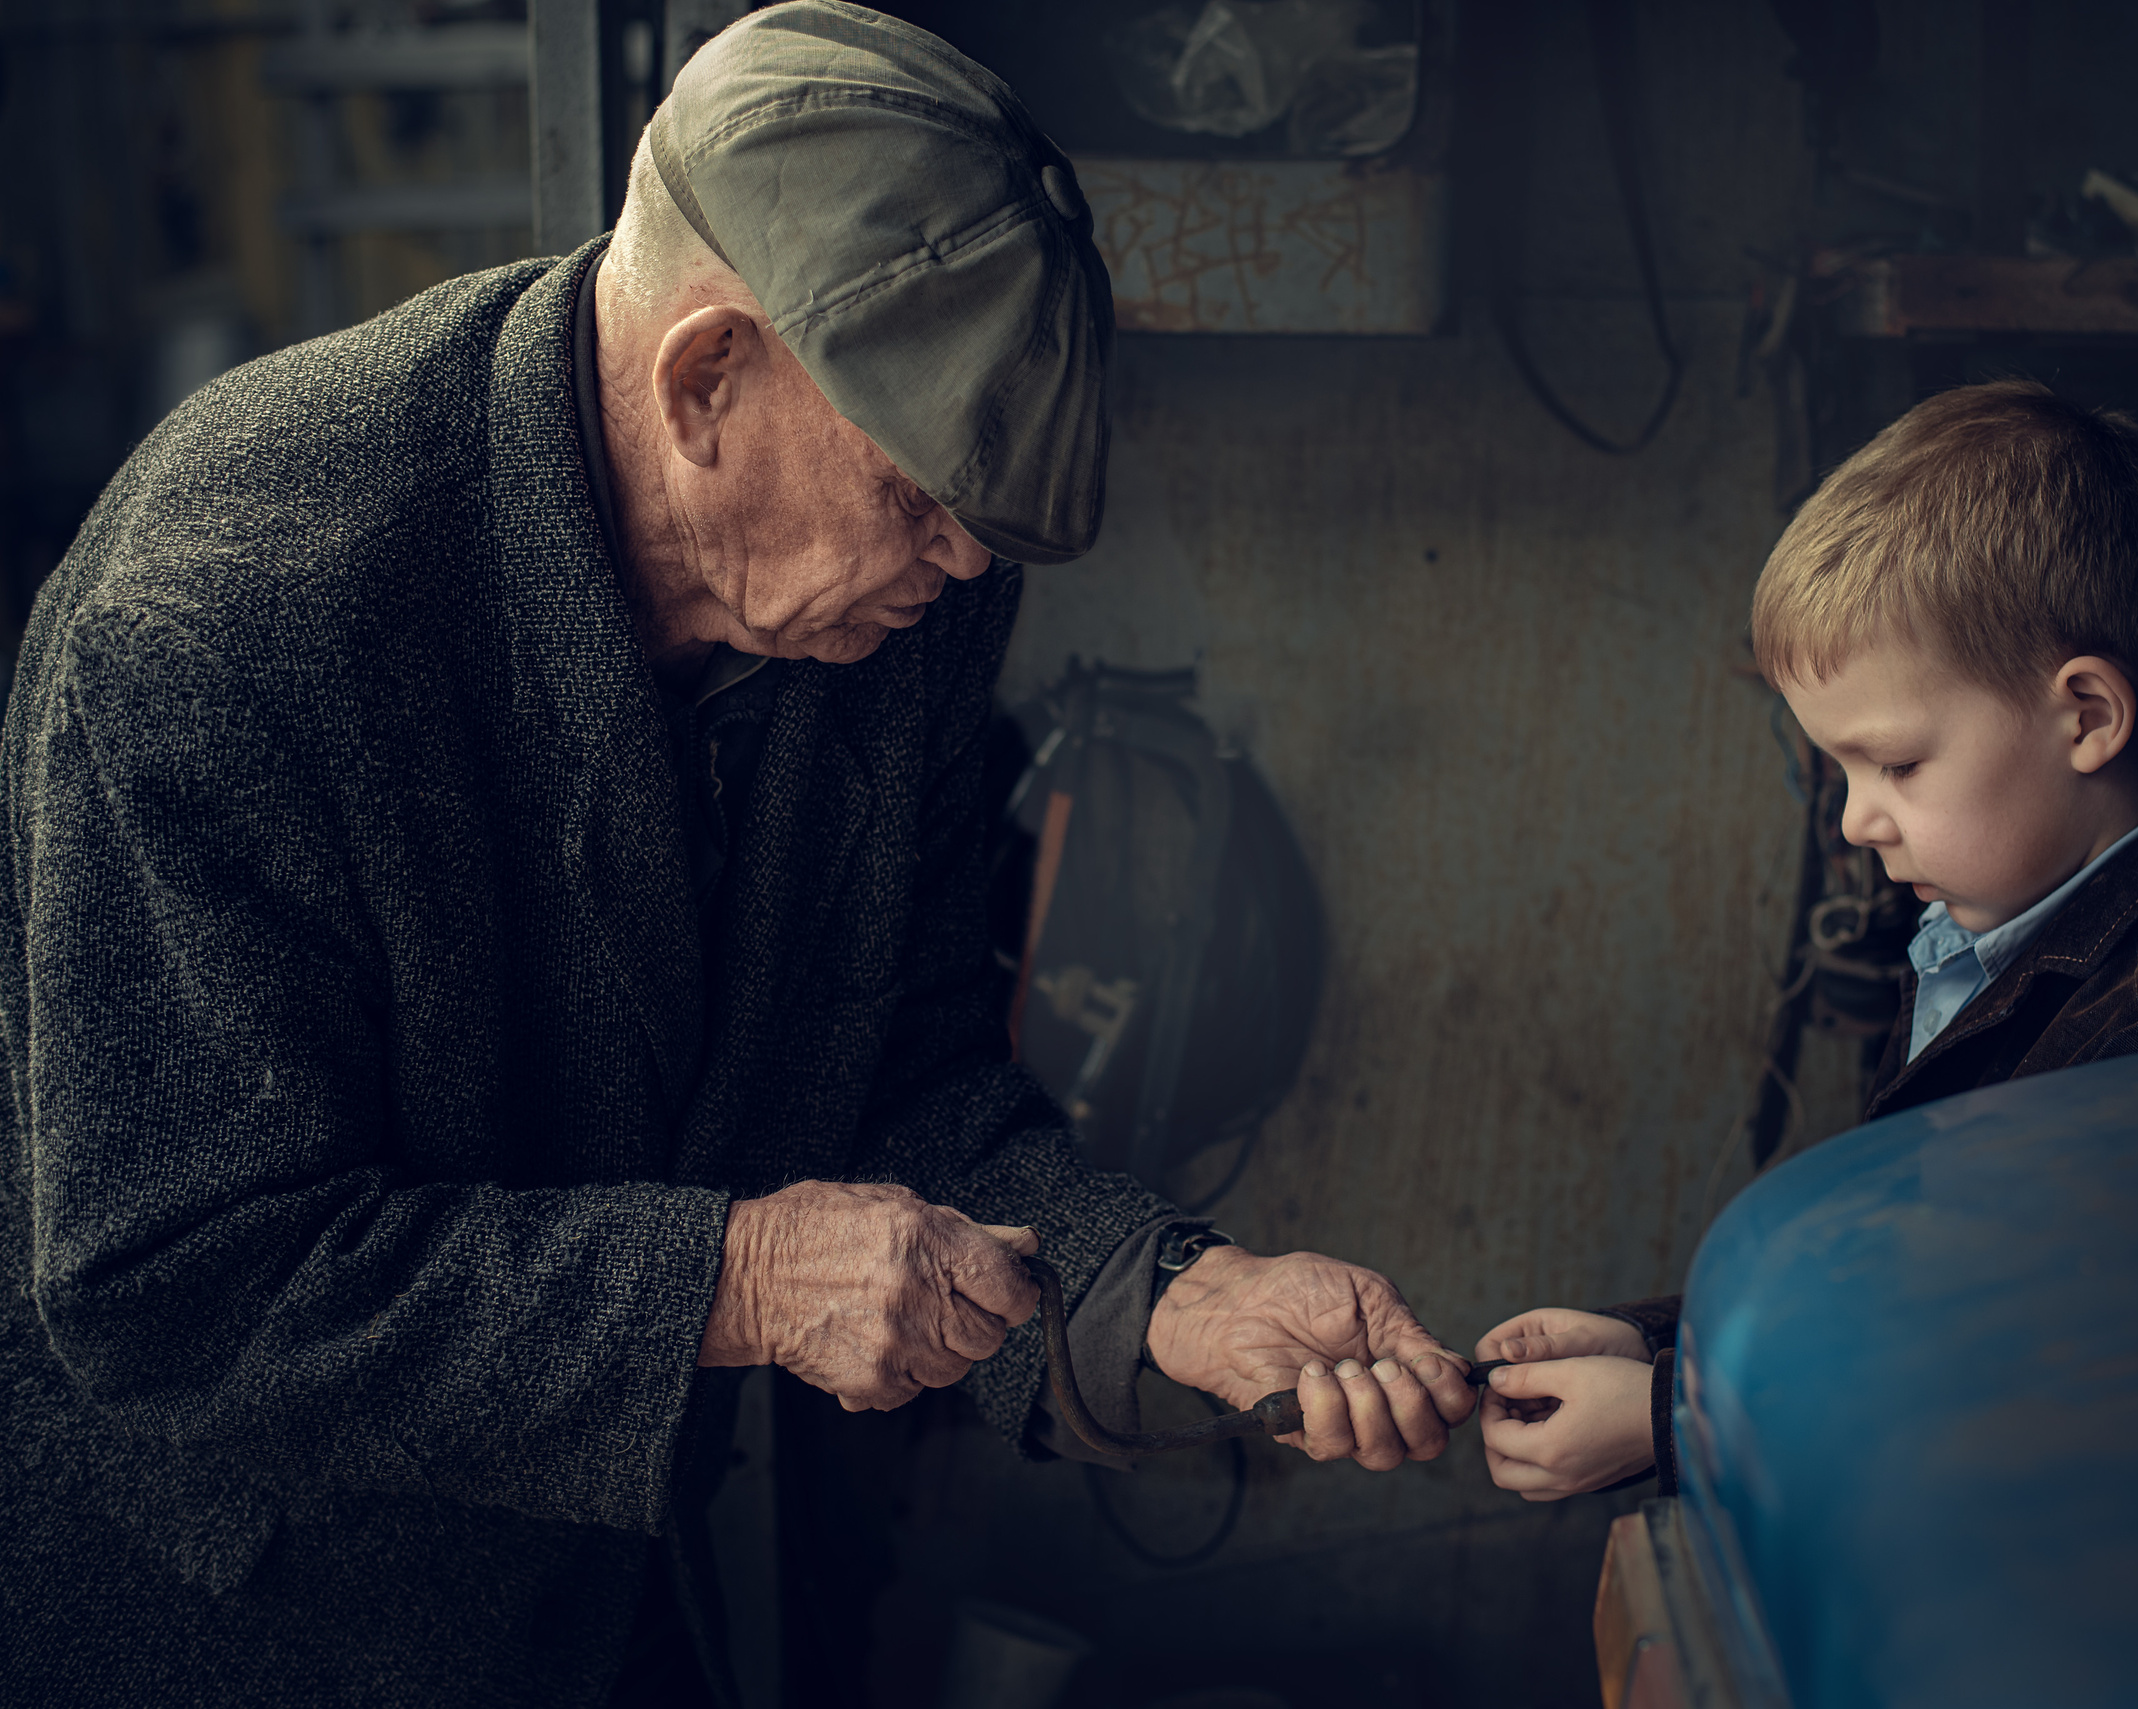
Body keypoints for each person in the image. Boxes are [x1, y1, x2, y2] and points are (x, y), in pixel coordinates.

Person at [0, 10, 1474, 1705]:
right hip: (246, 1619)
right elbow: (178, 1292)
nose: (957, 565)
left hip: (587, 1573)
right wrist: (734, 1277)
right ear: (709, 378)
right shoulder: (231, 622)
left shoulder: (900, 597)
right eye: (922, 501)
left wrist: (1173, 1297)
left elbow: (898, 1064)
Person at [1474, 380, 2138, 1501]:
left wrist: (1682, 1419)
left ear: (2084, 718)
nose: (1856, 820)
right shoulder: (1986, 929)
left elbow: (2040, 1389)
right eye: (1842, 772)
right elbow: (1914, 1280)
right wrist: (1658, 1349)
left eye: (1897, 765)